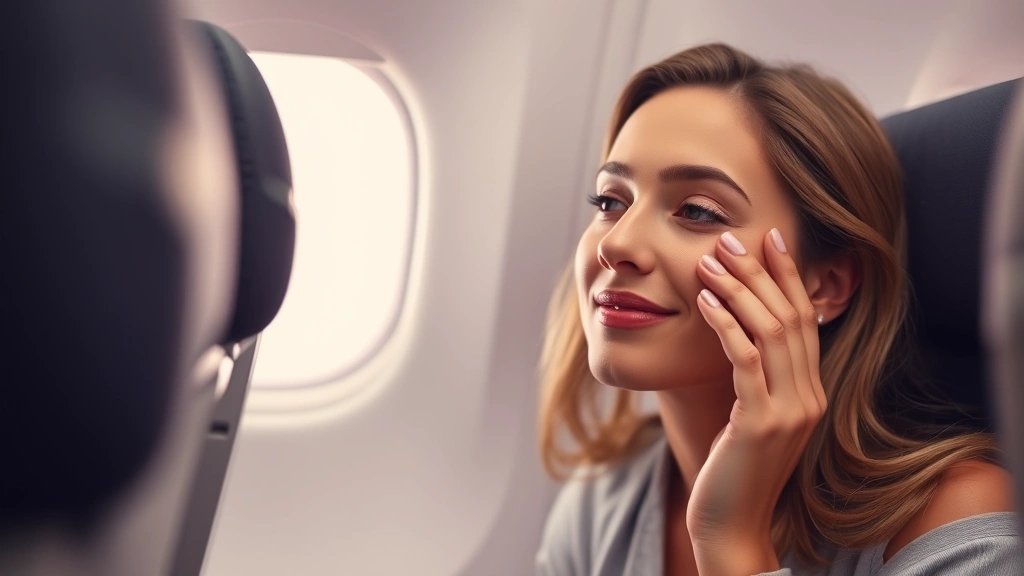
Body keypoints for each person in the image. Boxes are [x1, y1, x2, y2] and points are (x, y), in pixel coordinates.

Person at [534, 43, 1021, 576]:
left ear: (824, 286)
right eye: (611, 201)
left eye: (698, 211)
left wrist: (731, 540)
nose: (615, 244)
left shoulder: (953, 523)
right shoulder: (601, 499)